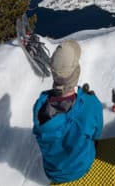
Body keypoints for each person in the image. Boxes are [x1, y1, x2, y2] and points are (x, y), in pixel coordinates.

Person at [32, 40, 103, 183]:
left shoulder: (39, 106)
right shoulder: (91, 104)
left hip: (53, 173)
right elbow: (97, 133)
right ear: (76, 72)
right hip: (81, 168)